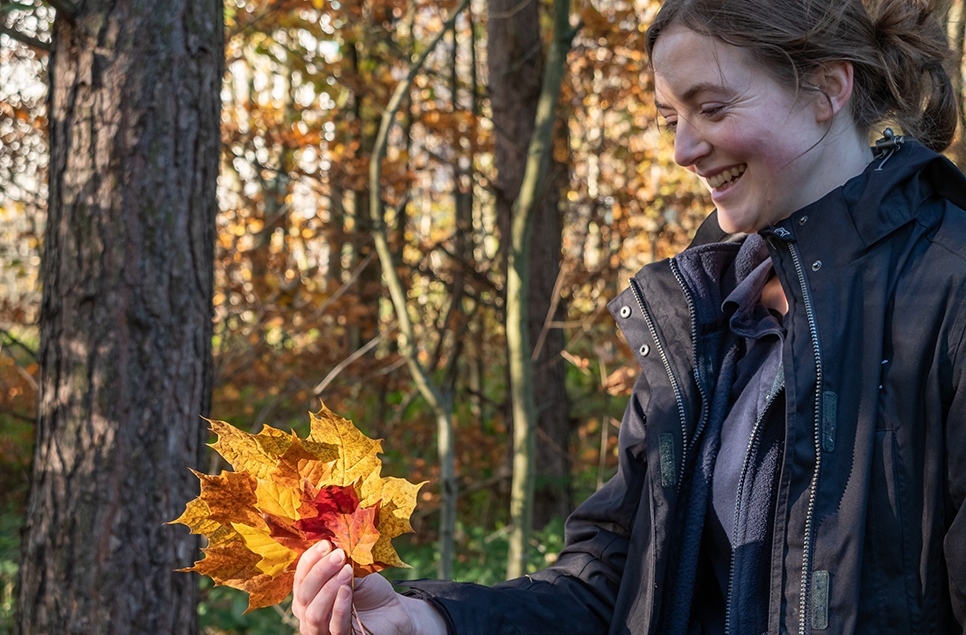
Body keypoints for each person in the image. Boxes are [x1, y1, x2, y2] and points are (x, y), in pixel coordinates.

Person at [291, 0, 966, 632]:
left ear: (828, 88)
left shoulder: (948, 287)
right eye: (671, 119)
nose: (683, 150)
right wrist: (427, 620)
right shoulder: (704, 317)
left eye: (711, 107)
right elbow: (616, 580)